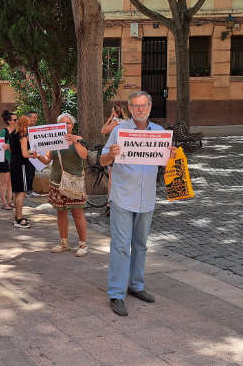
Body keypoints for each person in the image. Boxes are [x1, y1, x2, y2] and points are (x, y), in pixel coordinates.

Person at [99, 91, 176, 317]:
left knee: (141, 244)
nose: (140, 109)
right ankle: (116, 293)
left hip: (147, 198)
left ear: (150, 107)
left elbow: (166, 164)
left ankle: (136, 285)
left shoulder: (161, 133)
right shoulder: (119, 131)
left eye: (144, 105)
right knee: (121, 246)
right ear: (130, 109)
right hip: (123, 196)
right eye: (136, 106)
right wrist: (111, 155)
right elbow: (102, 159)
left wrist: (171, 157)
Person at [35, 113, 89, 257]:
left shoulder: (79, 139)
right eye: (63, 123)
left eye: (69, 123)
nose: (66, 126)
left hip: (74, 183)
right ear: (58, 126)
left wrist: (75, 142)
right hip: (57, 182)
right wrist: (38, 156)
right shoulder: (54, 139)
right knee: (61, 212)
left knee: (78, 213)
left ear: (73, 125)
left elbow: (84, 156)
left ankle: (83, 244)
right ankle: (64, 243)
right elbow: (47, 160)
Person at [9, 115, 33, 229]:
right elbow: (25, 154)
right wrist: (33, 153)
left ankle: (17, 216)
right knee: (21, 192)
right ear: (26, 125)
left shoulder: (12, 134)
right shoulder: (22, 136)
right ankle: (19, 218)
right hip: (22, 165)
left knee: (16, 191)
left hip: (14, 164)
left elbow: (11, 149)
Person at [0, 110, 16, 210]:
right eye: (15, 119)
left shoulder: (17, 132)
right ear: (9, 121)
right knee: (4, 182)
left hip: (13, 159)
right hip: (4, 159)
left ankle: (10, 201)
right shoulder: (4, 132)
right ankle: (4, 202)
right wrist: (8, 146)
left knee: (10, 182)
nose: (17, 121)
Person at [25, 110, 40, 197]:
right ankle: (26, 191)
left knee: (31, 172)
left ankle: (30, 190)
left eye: (36, 118)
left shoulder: (35, 129)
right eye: (34, 118)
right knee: (27, 172)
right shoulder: (23, 129)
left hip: (33, 154)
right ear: (28, 118)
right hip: (25, 154)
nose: (36, 119)